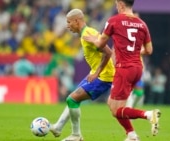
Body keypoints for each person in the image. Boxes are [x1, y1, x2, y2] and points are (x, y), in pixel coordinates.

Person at [83, 0, 161, 140]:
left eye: (116, 3)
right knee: (112, 104)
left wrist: (92, 39)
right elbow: (149, 50)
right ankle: (131, 135)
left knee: (116, 110)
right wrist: (134, 52)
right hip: (138, 68)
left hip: (124, 69)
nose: (115, 6)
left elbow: (101, 43)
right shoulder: (142, 24)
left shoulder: (114, 20)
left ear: (121, 4)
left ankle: (149, 115)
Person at [49, 9, 115, 141]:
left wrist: (97, 72)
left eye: (69, 22)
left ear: (76, 21)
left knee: (72, 99)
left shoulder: (88, 34)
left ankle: (76, 135)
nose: (67, 26)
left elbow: (108, 52)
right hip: (97, 73)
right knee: (72, 98)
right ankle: (58, 127)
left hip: (103, 76)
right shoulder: (86, 33)